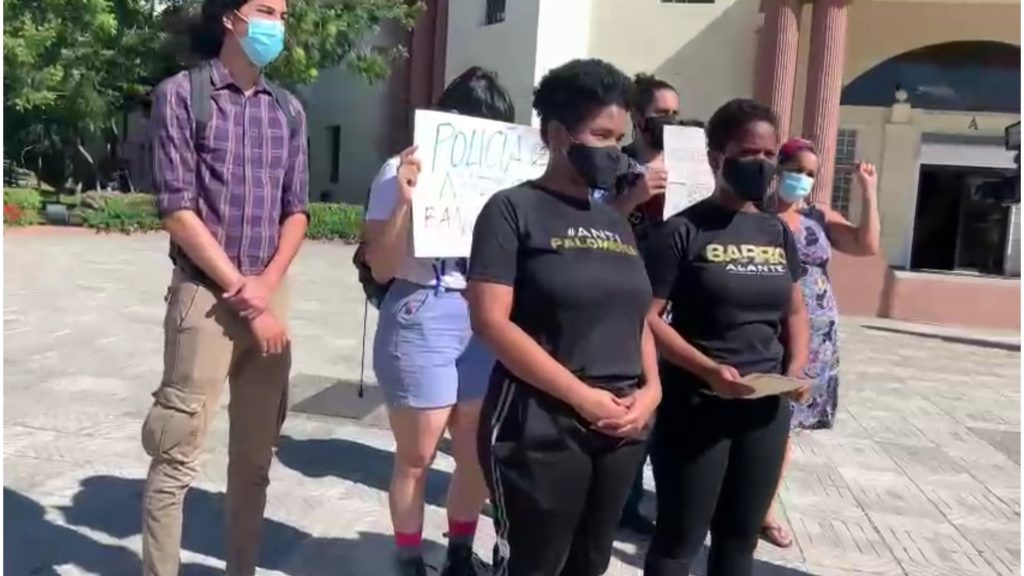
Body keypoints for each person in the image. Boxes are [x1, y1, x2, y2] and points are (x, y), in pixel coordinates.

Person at [468, 58, 662, 576]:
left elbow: (635, 313)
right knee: (535, 564)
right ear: (557, 134)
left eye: (619, 138)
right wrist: (580, 397)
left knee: (590, 563)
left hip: (622, 427)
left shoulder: (613, 220)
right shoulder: (511, 210)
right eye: (600, 135)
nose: (613, 151)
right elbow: (490, 321)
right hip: (541, 426)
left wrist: (653, 390)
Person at [142, 0, 307, 574]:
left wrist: (267, 286)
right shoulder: (182, 96)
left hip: (269, 293)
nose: (276, 25)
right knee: (176, 454)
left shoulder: (288, 108)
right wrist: (244, 291)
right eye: (266, 10)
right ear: (231, 18)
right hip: (205, 299)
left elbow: (298, 209)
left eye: (284, 14)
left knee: (255, 461)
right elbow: (177, 209)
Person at [641, 98, 812, 576]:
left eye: (769, 153)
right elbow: (647, 319)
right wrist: (707, 369)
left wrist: (795, 368)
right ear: (717, 156)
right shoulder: (681, 231)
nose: (761, 163)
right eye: (748, 151)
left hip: (765, 408)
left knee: (739, 542)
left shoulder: (775, 231)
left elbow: (794, 309)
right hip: (697, 404)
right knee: (679, 539)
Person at [361, 67, 515, 576]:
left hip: (483, 318)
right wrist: (405, 202)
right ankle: (408, 557)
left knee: (473, 452)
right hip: (421, 310)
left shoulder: (507, 181)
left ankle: (458, 554)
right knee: (417, 456)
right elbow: (381, 264)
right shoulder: (397, 170)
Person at [758, 138, 880, 548]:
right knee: (757, 417)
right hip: (766, 326)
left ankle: (765, 508)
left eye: (811, 173)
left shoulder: (819, 216)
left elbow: (867, 245)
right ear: (778, 168)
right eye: (797, 170)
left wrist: (868, 192)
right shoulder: (754, 212)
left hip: (817, 331)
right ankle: (739, 499)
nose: (803, 179)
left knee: (787, 426)